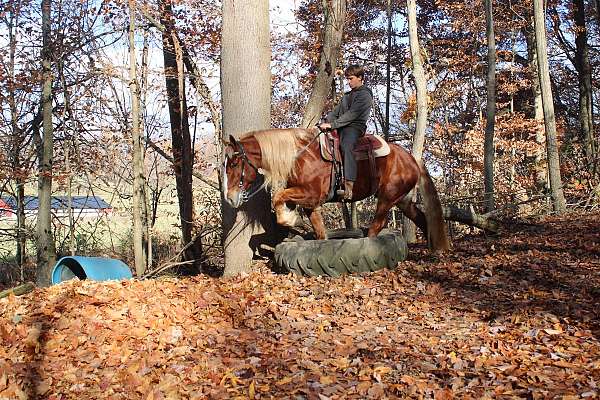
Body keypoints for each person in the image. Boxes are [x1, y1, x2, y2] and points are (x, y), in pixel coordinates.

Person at [319, 64, 373, 200]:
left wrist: (332, 125)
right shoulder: (347, 96)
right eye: (347, 79)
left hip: (354, 127)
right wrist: (324, 122)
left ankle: (349, 186)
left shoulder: (365, 95)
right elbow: (335, 112)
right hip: (341, 126)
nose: (348, 82)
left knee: (346, 145)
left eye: (351, 79)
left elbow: (352, 115)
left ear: (360, 78)